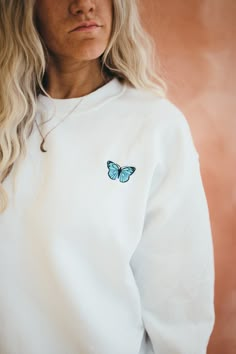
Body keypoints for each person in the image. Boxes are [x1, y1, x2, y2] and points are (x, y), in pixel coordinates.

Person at [0, 0, 215, 354]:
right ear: (26, 8)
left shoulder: (154, 126)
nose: (84, 4)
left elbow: (180, 303)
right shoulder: (8, 120)